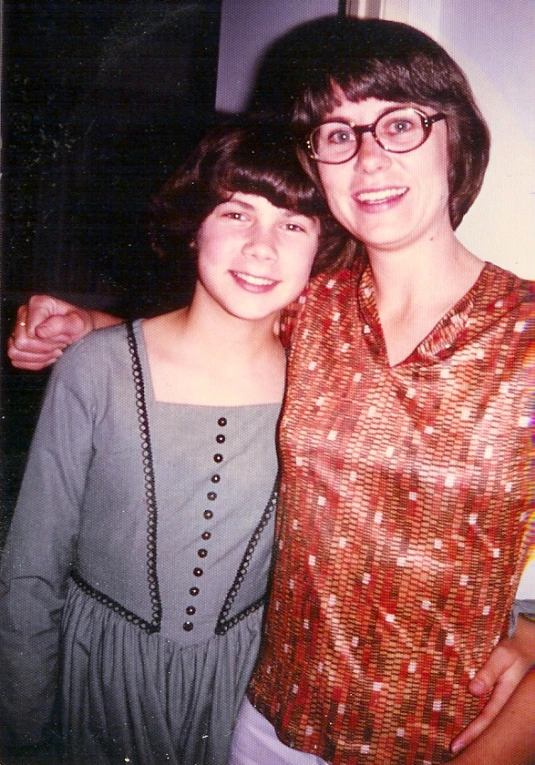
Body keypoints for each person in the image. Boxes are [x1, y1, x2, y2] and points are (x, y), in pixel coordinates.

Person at [7, 17, 535, 765]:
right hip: (265, 727)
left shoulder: (527, 338)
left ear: (457, 138)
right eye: (337, 134)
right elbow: (210, 333)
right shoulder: (313, 311)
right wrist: (86, 326)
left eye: (399, 123)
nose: (368, 157)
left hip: (449, 737)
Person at [0, 122, 347, 765]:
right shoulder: (96, 368)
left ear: (321, 249)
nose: (262, 248)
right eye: (236, 212)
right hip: (98, 676)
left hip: (244, 693)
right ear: (193, 225)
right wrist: (21, 724)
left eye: (294, 224)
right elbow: (32, 562)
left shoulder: (322, 388)